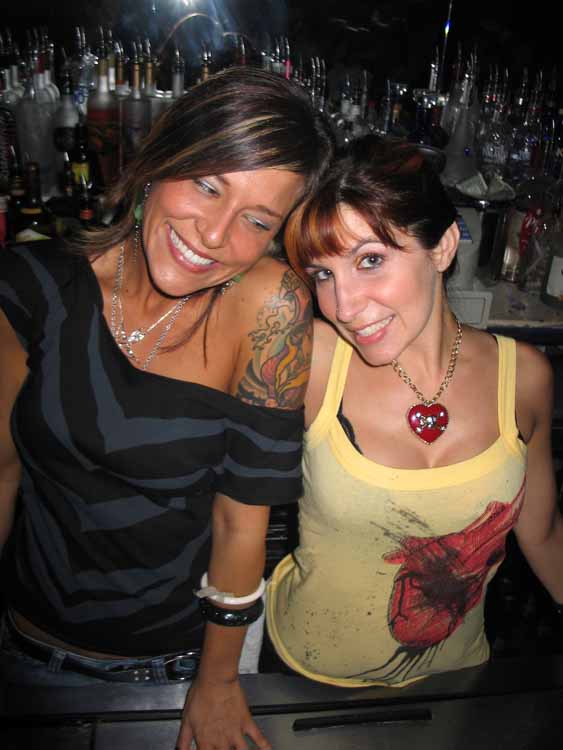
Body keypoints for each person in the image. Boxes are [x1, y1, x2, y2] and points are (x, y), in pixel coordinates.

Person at [0, 67, 334, 750]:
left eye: (256, 221)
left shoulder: (268, 308)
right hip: (25, 650)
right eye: (207, 185)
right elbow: (0, 474)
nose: (213, 235)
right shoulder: (34, 285)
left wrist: (217, 682)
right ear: (159, 158)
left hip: (176, 670)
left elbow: (240, 522)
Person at [267, 135, 563, 687]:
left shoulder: (524, 378)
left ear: (443, 248)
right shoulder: (313, 360)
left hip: (456, 680)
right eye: (324, 273)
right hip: (307, 677)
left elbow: (543, 533)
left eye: (370, 260)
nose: (343, 306)